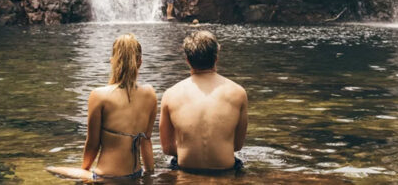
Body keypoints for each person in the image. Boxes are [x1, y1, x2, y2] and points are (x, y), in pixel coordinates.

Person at [47, 34, 157, 181]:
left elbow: (93, 144)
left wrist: (84, 173)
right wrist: (149, 176)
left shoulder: (99, 95)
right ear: (140, 62)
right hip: (135, 174)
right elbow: (146, 141)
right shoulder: (150, 94)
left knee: (50, 169)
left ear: (113, 61)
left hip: (106, 177)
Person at [159, 30, 248, 173]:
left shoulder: (170, 94)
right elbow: (237, 146)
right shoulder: (237, 92)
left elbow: (167, 149)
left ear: (187, 60)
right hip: (225, 170)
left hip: (186, 169)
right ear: (216, 57)